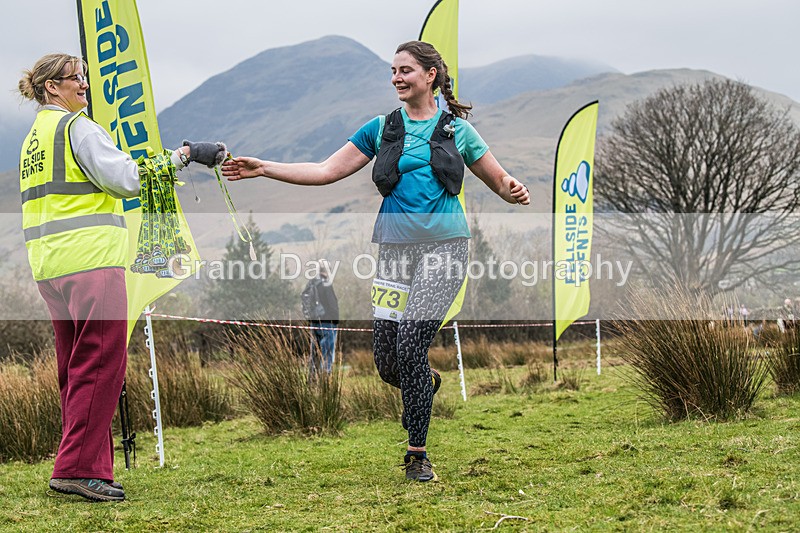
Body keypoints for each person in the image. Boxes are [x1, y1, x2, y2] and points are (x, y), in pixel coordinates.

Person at [222, 40, 530, 482]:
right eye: (392, 71)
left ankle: (417, 455)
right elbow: (326, 170)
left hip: (445, 250)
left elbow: (499, 179)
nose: (396, 79)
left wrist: (512, 189)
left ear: (430, 76)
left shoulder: (456, 131)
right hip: (393, 254)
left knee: (410, 345)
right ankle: (424, 385)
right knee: (388, 362)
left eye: (405, 70)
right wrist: (265, 168)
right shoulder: (381, 128)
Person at [18, 53, 226, 502]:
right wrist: (185, 156)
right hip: (92, 263)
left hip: (50, 267)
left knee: (76, 370)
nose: (85, 87)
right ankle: (76, 469)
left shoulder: (35, 138)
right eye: (77, 79)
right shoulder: (78, 127)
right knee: (99, 366)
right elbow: (128, 179)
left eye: (85, 79)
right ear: (52, 87)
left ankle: (87, 467)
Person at [303, 260, 340, 376]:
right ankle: (326, 381)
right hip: (327, 323)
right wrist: (335, 321)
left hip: (314, 322)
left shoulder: (312, 283)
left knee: (314, 353)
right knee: (327, 354)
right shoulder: (326, 284)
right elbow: (332, 305)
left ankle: (312, 379)